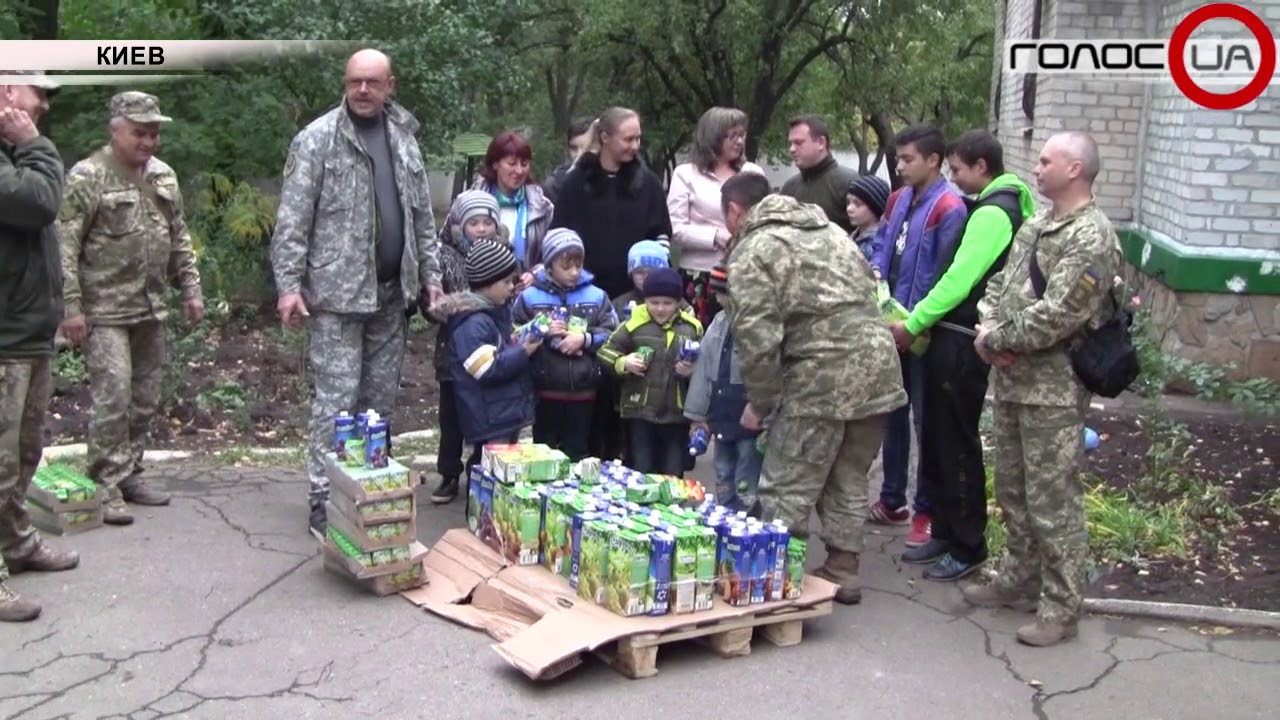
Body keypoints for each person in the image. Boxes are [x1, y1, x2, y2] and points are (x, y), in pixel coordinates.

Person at [269, 48, 442, 537]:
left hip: (392, 297)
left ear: (391, 85)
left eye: (371, 82)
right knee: (336, 403)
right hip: (336, 297)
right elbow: (292, 221)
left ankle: (368, 489)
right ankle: (325, 500)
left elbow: (421, 217)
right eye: (353, 83)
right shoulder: (318, 139)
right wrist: (288, 287)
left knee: (379, 403)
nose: (362, 91)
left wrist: (430, 276)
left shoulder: (405, 139)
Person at [963, 131, 1122, 647]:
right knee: (1013, 491)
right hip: (1012, 379)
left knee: (1054, 500)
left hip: (1053, 389)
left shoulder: (1091, 236)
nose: (1037, 167)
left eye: (1047, 160)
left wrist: (998, 338)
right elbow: (999, 286)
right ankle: (1018, 577)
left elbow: (1060, 314)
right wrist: (988, 334)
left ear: (1075, 169)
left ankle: (1061, 605)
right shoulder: (1036, 223)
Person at [719, 172, 907, 605]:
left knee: (789, 477)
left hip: (821, 376)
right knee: (848, 473)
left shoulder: (755, 251)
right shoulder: (831, 232)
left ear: (735, 211)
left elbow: (757, 335)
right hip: (878, 368)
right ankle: (843, 568)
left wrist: (761, 401)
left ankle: (771, 577)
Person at [56, 91, 204, 526]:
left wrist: (191, 290)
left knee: (144, 398)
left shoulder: (163, 176)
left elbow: (179, 236)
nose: (148, 141)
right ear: (116, 130)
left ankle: (130, 472)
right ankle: (104, 482)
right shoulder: (88, 177)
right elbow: (64, 246)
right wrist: (71, 307)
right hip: (103, 309)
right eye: (139, 132)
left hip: (150, 305)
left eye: (154, 133)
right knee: (114, 394)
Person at [891, 129, 1035, 577]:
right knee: (936, 437)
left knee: (956, 444)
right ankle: (945, 533)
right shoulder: (986, 206)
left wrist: (913, 324)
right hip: (948, 336)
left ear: (981, 167)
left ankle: (968, 546)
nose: (953, 178)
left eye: (957, 169)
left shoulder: (995, 213)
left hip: (960, 340)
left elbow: (959, 279)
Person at [0, 71, 80, 623]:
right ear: (6, 93)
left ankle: (16, 543)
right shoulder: (23, 158)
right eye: (37, 93)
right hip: (3, 338)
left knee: (24, 455)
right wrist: (34, 146)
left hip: (27, 333)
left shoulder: (16, 157)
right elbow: (39, 203)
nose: (44, 106)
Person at [551, 106, 671, 462]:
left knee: (625, 376)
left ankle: (622, 457)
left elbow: (661, 236)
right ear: (605, 138)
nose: (636, 145)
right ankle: (580, 454)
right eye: (628, 138)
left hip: (631, 297)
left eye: (638, 138)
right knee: (588, 377)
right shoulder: (576, 183)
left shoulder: (646, 184)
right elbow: (561, 236)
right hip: (583, 295)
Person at [867, 124, 968, 547]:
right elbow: (881, 243)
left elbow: (949, 275)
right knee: (892, 412)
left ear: (933, 160)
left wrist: (917, 324)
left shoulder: (951, 208)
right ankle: (892, 499)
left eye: (908, 159)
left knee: (927, 422)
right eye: (898, 158)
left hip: (925, 333)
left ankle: (925, 509)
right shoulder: (897, 197)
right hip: (890, 327)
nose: (900, 165)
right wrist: (874, 269)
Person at [431, 240, 539, 478]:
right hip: (491, 416)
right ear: (487, 284)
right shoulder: (473, 323)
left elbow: (502, 344)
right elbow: (486, 367)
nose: (513, 287)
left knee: (502, 469)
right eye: (507, 281)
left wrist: (524, 335)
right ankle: (480, 512)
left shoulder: (494, 311)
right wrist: (524, 351)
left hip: (503, 411)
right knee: (489, 472)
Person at [429, 190, 509, 504]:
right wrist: (438, 305)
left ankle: (480, 469)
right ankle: (449, 473)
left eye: (486, 222)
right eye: (472, 222)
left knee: (485, 412)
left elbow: (509, 296)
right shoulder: (445, 255)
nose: (479, 229)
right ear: (460, 225)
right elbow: (433, 301)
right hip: (453, 352)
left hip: (491, 347)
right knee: (451, 418)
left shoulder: (505, 252)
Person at [513, 228, 618, 461]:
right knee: (543, 451)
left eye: (578, 266)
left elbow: (613, 332)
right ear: (549, 265)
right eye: (566, 267)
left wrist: (586, 339)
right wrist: (539, 330)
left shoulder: (596, 295)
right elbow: (512, 333)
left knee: (577, 450)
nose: (574, 273)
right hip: (545, 387)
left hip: (584, 389)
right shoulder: (530, 297)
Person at [666, 107, 766, 327]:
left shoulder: (753, 173)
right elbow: (676, 228)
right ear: (713, 137)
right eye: (733, 136)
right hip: (699, 275)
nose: (739, 141)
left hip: (744, 272)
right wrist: (715, 236)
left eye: (742, 135)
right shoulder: (686, 174)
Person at [597, 268, 702, 475]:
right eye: (654, 303)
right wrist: (624, 362)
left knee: (672, 471)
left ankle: (672, 506)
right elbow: (604, 351)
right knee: (641, 467)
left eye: (667, 303)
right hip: (639, 410)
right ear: (645, 300)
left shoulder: (692, 328)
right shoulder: (634, 323)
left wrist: (691, 370)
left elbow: (705, 366)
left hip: (676, 413)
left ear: (678, 302)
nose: (661, 309)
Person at [684, 307, 762, 515]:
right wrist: (696, 415)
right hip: (720, 414)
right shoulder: (719, 320)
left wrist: (760, 406)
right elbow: (702, 369)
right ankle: (725, 520)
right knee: (723, 473)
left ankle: (749, 527)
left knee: (747, 479)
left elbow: (769, 370)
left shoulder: (761, 319)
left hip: (750, 416)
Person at [459, 131, 554, 283]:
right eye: (512, 164)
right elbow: (446, 247)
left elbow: (554, 255)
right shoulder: (467, 202)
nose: (519, 170)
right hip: (476, 295)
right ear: (495, 164)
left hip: (525, 296)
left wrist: (536, 274)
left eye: (524, 164)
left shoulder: (543, 208)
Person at [779, 115, 857, 233]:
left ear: (821, 143)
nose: (792, 149)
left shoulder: (849, 183)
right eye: (790, 143)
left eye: (798, 143)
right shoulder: (789, 188)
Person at [611, 239, 671, 323]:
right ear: (631, 274)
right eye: (639, 272)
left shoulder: (675, 303)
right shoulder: (618, 305)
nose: (646, 277)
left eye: (651, 272)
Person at [542, 117, 593, 205]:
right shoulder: (555, 186)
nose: (579, 154)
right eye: (574, 148)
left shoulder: (616, 181)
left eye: (586, 147)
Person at [846, 174, 890, 261]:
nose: (849, 208)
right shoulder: (853, 237)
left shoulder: (877, 246)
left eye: (857, 204)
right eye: (848, 202)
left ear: (875, 207)